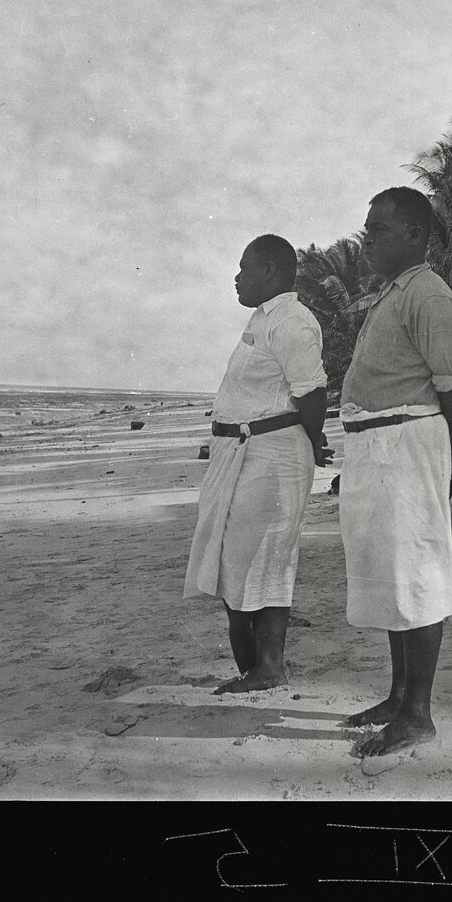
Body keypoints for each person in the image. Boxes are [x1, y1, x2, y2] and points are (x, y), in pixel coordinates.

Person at [339, 186, 452, 756]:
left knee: (416, 573)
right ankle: (398, 698)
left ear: (415, 236)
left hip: (405, 443)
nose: (368, 239)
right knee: (393, 573)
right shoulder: (394, 292)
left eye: (379, 229)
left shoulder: (429, 295)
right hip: (379, 446)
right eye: (368, 228)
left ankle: (418, 713)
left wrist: (426, 442)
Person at [183, 234, 331, 694]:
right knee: (233, 558)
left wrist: (312, 438)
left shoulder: (292, 321)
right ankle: (253, 667)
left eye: (245, 266)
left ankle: (268, 668)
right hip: (241, 455)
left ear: (270, 271)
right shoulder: (264, 318)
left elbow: (313, 392)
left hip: (271, 458)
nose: (237, 276)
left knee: (264, 558)